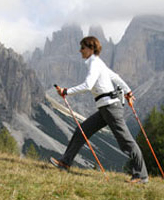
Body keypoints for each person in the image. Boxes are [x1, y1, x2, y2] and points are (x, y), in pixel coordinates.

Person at [50, 36, 148, 183]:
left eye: (82, 47)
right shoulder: (98, 63)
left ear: (90, 49)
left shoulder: (94, 63)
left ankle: (141, 176)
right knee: (81, 131)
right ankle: (65, 162)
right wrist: (128, 92)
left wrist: (66, 91)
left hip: (110, 108)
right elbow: (116, 77)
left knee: (126, 142)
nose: (80, 50)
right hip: (105, 108)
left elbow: (88, 85)